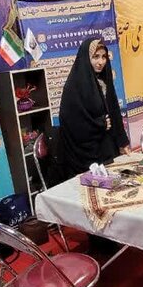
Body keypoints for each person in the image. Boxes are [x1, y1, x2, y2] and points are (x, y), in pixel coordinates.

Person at [56, 38, 129, 180]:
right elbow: (71, 123)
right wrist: (100, 123)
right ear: (86, 58)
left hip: (105, 146)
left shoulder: (103, 81)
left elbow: (114, 111)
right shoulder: (74, 86)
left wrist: (122, 141)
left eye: (103, 57)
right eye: (95, 57)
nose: (101, 62)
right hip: (83, 154)